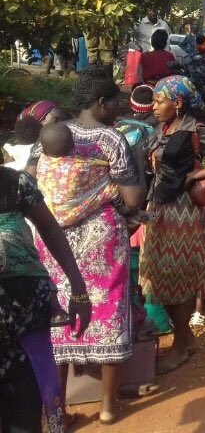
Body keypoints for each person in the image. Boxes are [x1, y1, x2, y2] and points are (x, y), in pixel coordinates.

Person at [26, 66, 145, 425]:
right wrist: (115, 185)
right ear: (101, 102)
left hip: (53, 239)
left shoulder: (46, 138)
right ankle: (108, 406)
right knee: (109, 309)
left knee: (58, 314)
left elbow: (30, 185)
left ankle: (56, 411)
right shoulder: (111, 140)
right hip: (101, 237)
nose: (119, 109)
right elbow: (133, 199)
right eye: (116, 103)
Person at [140, 76, 205, 373]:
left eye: (159, 101)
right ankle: (186, 338)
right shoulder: (161, 128)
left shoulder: (196, 130)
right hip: (157, 208)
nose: (154, 106)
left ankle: (180, 346)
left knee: (179, 277)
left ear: (178, 103)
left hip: (182, 213)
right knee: (158, 275)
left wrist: (196, 175)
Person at [0, 167, 92, 433]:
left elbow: (50, 228)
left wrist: (78, 289)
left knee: (25, 415)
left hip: (25, 313)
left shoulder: (15, 183)